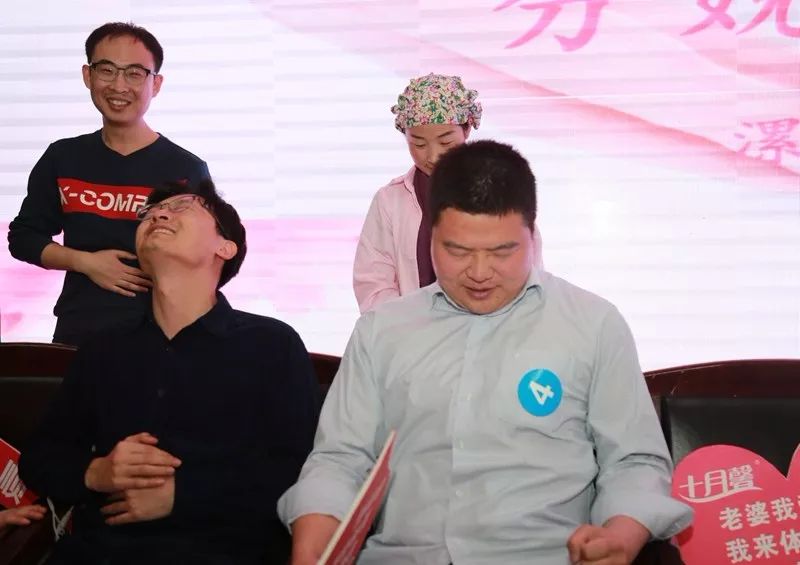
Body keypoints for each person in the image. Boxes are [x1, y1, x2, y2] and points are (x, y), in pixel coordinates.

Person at [280, 140, 692, 565]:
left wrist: (618, 538)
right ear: (430, 236)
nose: (479, 273)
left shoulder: (593, 325)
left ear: (532, 235)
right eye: (457, 251)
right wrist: (316, 539)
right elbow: (340, 460)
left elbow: (633, 462)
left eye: (501, 252)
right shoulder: (381, 331)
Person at [19, 179, 318, 564]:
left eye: (182, 207)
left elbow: (301, 468)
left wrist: (184, 495)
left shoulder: (272, 344)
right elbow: (40, 458)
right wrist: (96, 473)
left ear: (225, 247)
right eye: (150, 213)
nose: (158, 215)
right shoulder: (104, 348)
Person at [8, 22, 210, 346]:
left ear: (156, 83)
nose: (119, 85)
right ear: (88, 76)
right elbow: (24, 238)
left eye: (134, 73)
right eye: (107, 70)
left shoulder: (185, 169)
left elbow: (204, 260)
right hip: (78, 333)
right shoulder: (63, 157)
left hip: (159, 340)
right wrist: (85, 262)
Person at [352, 73, 543, 313]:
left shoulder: (501, 189)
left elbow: (530, 269)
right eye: (419, 144)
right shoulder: (390, 201)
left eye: (445, 142)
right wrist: (410, 326)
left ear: (466, 129)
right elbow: (373, 283)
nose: (433, 156)